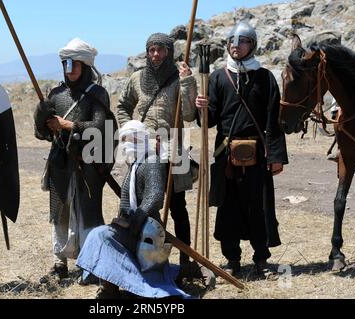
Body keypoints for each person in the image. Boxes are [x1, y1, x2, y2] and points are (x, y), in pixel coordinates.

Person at [195, 21, 288, 276]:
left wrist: (276, 156)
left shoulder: (265, 77)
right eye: (233, 41)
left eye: (243, 41)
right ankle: (232, 259)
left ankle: (261, 258)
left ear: (252, 45)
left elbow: (274, 119)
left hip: (257, 152)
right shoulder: (217, 77)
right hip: (226, 151)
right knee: (229, 206)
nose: (236, 46)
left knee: (257, 205)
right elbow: (210, 120)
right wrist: (201, 107)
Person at [76, 120, 189, 299]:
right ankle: (110, 286)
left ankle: (127, 285)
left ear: (141, 139)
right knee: (101, 235)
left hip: (149, 231)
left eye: (131, 139)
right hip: (134, 227)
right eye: (123, 139)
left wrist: (136, 220)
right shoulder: (135, 164)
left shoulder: (152, 161)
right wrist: (123, 221)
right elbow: (126, 202)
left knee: (101, 236)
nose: (126, 143)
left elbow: (155, 197)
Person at [116, 33, 197, 267]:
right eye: (152, 50)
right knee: (142, 205)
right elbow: (122, 106)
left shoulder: (179, 78)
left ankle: (186, 261)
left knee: (178, 208)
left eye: (160, 50)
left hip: (172, 152)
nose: (155, 54)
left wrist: (187, 83)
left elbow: (190, 114)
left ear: (169, 52)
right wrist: (129, 129)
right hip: (142, 151)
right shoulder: (137, 78)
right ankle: (145, 259)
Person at [34, 38, 111, 283]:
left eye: (74, 64)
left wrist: (67, 124)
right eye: (66, 63)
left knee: (88, 214)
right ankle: (60, 264)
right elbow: (42, 134)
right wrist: (42, 117)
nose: (69, 68)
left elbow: (99, 129)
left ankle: (91, 264)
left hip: (86, 164)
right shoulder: (56, 94)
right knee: (60, 214)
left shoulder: (98, 94)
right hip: (60, 163)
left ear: (85, 66)